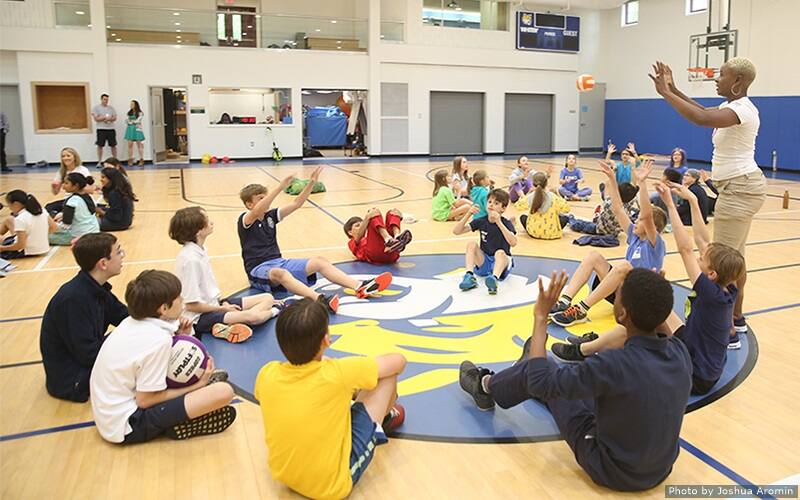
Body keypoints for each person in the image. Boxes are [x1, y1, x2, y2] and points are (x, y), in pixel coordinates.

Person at [458, 268, 692, 491]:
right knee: (564, 380)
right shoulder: (680, 352)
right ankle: (527, 367)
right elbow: (660, 326)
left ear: (622, 314)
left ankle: (485, 387)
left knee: (541, 371)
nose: (615, 296)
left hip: (610, 468)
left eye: (617, 294)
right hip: (660, 469)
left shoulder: (612, 364)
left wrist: (540, 317)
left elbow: (541, 381)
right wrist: (656, 297)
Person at [552, 183, 745, 386]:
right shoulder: (727, 288)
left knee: (637, 322)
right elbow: (701, 239)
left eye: (702, 259)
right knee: (654, 312)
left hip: (694, 372)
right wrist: (694, 201)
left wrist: (670, 205)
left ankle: (585, 350)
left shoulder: (710, 292)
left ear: (712, 274)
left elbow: (686, 249)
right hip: (699, 356)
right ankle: (595, 343)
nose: (699, 256)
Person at [650, 58, 767, 341]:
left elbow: (701, 119)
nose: (716, 79)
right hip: (740, 187)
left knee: (721, 263)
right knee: (736, 259)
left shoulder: (742, 110)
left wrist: (665, 94)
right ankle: (735, 318)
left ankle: (725, 330)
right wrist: (674, 88)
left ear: (738, 82)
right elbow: (702, 109)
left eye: (722, 75)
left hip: (739, 189)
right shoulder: (733, 107)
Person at [255, 298, 407, 499]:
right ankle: (380, 421)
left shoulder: (267, 373)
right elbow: (398, 361)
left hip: (284, 475)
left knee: (336, 395)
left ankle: (375, 416)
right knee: (386, 378)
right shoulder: (337, 372)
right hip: (331, 487)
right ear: (326, 340)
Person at [90, 269, 237, 444]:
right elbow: (145, 400)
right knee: (224, 392)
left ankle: (184, 408)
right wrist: (198, 385)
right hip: (129, 425)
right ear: (164, 308)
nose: (183, 300)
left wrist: (183, 336)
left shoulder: (130, 322)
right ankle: (175, 423)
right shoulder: (158, 340)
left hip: (108, 415)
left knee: (195, 378)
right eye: (179, 298)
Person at [238, 167, 392, 313]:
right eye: (260, 199)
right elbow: (258, 210)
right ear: (249, 204)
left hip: (278, 261)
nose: (265, 201)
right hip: (257, 269)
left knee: (320, 261)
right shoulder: (245, 219)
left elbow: (296, 203)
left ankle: (359, 287)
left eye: (264, 197)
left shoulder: (270, 216)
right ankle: (320, 300)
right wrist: (280, 187)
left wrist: (311, 182)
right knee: (281, 273)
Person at [550, 160, 667, 327]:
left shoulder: (655, 244)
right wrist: (612, 178)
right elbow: (618, 208)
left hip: (639, 298)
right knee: (593, 257)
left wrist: (642, 182)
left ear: (651, 227)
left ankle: (581, 309)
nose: (636, 220)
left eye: (639, 219)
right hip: (622, 291)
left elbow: (647, 215)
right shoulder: (634, 235)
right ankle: (564, 300)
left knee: (625, 266)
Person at [40, 233, 128, 402]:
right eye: (118, 252)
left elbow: (127, 317)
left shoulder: (95, 288)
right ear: (103, 263)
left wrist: (162, 321)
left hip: (85, 363)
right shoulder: (74, 299)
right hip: (72, 380)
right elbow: (88, 354)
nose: (122, 255)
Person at [170, 206, 279, 343]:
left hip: (215, 304)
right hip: (200, 317)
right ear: (198, 230)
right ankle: (276, 310)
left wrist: (223, 306)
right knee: (253, 317)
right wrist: (222, 309)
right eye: (207, 220)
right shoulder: (191, 260)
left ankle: (228, 324)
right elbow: (192, 306)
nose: (211, 223)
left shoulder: (199, 249)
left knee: (267, 297)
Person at [453, 189, 517, 295]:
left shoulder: (506, 223)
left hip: (501, 263)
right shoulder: (482, 221)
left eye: (496, 203)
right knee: (471, 244)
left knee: (500, 252)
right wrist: (468, 214)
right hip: (485, 261)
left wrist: (499, 222)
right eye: (490, 202)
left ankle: (494, 279)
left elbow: (513, 243)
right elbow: (456, 231)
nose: (491, 205)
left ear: (503, 208)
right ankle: (469, 275)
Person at [343, 208, 412, 265]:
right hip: (375, 256)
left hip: (392, 253)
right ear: (350, 232)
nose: (361, 226)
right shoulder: (351, 243)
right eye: (357, 225)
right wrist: (367, 218)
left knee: (392, 212)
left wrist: (398, 216)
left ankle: (397, 237)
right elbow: (360, 235)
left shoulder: (371, 238)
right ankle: (388, 239)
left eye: (362, 224)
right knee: (374, 212)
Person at [568, 182, 640, 237]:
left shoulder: (610, 204)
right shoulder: (629, 202)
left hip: (600, 230)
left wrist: (611, 176)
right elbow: (634, 191)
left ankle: (569, 218)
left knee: (578, 224)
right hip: (615, 233)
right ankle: (597, 215)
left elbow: (607, 191)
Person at [0, 190, 55, 259]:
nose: (10, 209)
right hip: (43, 249)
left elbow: (20, 246)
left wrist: (2, 248)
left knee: (3, 239)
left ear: (16, 204)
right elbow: (54, 227)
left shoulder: (20, 219)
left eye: (9, 205)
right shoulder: (42, 211)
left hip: (25, 252)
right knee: (9, 220)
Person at [49, 173, 100, 246]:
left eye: (66, 183)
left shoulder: (72, 202)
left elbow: (65, 226)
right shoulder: (88, 196)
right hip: (94, 231)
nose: (63, 186)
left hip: (79, 236)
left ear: (75, 186)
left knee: (46, 237)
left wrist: (52, 225)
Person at [519, 172, 571, 240]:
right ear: (546, 183)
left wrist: (529, 193)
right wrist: (557, 194)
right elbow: (567, 208)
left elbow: (518, 206)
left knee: (523, 217)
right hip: (552, 233)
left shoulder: (531, 196)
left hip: (534, 232)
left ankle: (535, 228)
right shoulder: (553, 197)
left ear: (533, 184)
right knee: (565, 218)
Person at [46, 147, 92, 216]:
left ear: (74, 157)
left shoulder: (83, 170)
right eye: (63, 156)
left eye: (68, 156)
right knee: (48, 207)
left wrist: (74, 188)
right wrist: (54, 187)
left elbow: (91, 190)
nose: (65, 158)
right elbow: (55, 193)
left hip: (82, 199)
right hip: (67, 199)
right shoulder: (61, 172)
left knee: (69, 210)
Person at [97, 167, 136, 232]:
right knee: (100, 207)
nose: (101, 180)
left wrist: (101, 212)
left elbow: (116, 216)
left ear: (111, 179)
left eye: (103, 177)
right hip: (126, 221)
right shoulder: (122, 189)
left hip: (119, 223)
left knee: (90, 223)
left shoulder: (114, 193)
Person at [92, 94, 118, 166]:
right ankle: (99, 161)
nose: (106, 101)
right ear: (101, 99)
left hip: (111, 129)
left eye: (107, 100)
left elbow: (115, 118)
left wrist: (110, 118)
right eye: (104, 99)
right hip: (101, 129)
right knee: (100, 145)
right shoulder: (96, 108)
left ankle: (115, 161)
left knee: (113, 145)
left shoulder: (111, 108)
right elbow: (96, 119)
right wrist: (104, 118)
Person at [124, 100, 145, 168]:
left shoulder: (140, 113)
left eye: (132, 104)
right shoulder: (129, 113)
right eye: (130, 104)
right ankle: (130, 159)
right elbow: (127, 120)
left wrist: (133, 122)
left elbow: (138, 120)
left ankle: (141, 159)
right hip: (130, 129)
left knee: (139, 145)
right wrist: (130, 122)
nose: (131, 105)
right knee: (130, 145)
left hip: (137, 129)